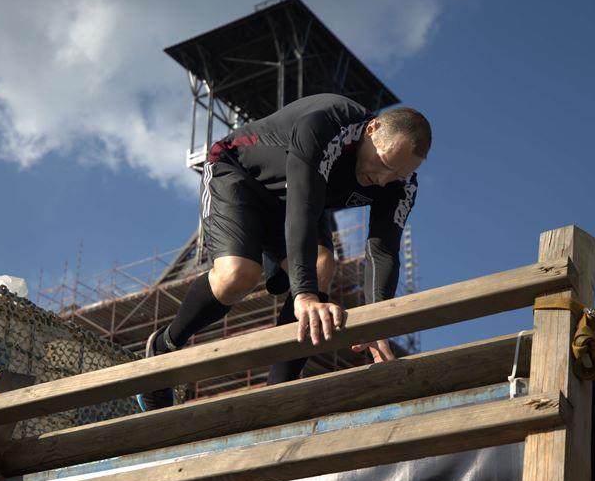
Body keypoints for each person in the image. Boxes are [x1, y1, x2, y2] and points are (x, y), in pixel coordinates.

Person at [138, 93, 432, 410]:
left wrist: (378, 322)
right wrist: (304, 294)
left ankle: (275, 398)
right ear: (372, 129)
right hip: (238, 174)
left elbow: (384, 251)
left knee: (322, 266)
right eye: (384, 164)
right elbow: (303, 208)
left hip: (293, 202)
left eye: (397, 175)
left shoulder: (400, 185)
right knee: (238, 275)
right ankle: (163, 346)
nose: (384, 180)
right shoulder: (328, 123)